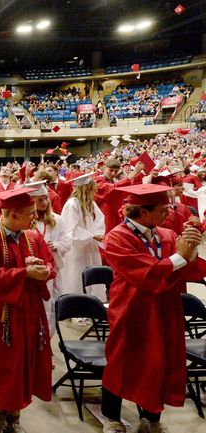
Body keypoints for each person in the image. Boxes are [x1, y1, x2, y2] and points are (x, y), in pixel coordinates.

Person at [100, 184, 206, 433]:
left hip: (164, 309)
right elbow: (144, 273)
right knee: (120, 361)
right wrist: (180, 257)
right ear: (142, 211)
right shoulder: (117, 237)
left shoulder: (166, 234)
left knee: (160, 361)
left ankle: (152, 418)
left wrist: (191, 250)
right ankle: (112, 417)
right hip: (131, 308)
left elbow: (183, 271)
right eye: (163, 208)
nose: (169, 212)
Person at [0, 187, 55, 433]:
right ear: (13, 214)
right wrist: (24, 273)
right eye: (30, 213)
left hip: (29, 311)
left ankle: (14, 416)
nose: (35, 217)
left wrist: (44, 269)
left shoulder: (33, 237)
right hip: (1, 313)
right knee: (2, 365)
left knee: (23, 362)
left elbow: (50, 261)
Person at [23, 181, 71, 335]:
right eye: (40, 200)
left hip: (52, 270)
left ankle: (47, 341)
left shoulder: (57, 220)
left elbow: (67, 242)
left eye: (45, 198)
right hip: (32, 272)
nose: (44, 202)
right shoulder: (25, 222)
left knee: (51, 306)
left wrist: (55, 246)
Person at [59, 173, 106, 302]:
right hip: (76, 248)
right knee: (76, 276)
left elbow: (100, 220)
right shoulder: (71, 204)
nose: (95, 191)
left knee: (92, 276)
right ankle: (76, 308)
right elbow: (70, 229)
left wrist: (98, 234)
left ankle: (94, 304)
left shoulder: (91, 204)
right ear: (86, 189)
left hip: (90, 246)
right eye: (92, 188)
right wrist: (91, 236)